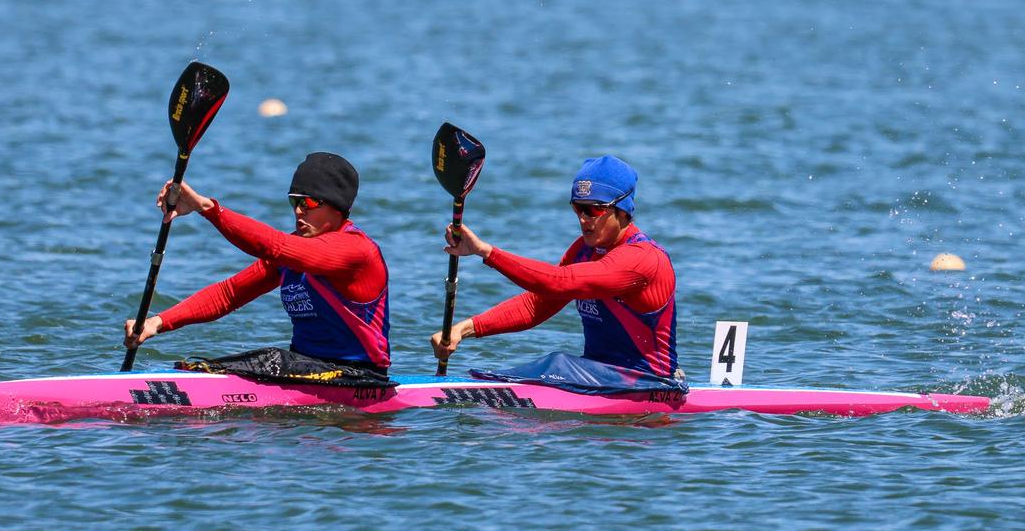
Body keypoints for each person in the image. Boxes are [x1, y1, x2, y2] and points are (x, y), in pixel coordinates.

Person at [125, 152, 391, 376]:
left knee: (268, 359)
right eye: (294, 202)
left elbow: (274, 246)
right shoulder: (290, 255)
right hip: (306, 369)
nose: (299, 211)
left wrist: (207, 208)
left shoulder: (356, 250)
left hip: (358, 375)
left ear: (336, 206)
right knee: (197, 367)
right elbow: (228, 294)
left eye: (308, 202)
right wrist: (157, 322)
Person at [430, 155, 682, 387]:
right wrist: (462, 330)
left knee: (558, 363)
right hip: (598, 379)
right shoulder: (583, 250)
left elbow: (560, 282)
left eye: (593, 209)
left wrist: (486, 252)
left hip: (647, 384)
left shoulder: (643, 259)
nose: (583, 219)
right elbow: (536, 305)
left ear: (623, 210)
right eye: (577, 208)